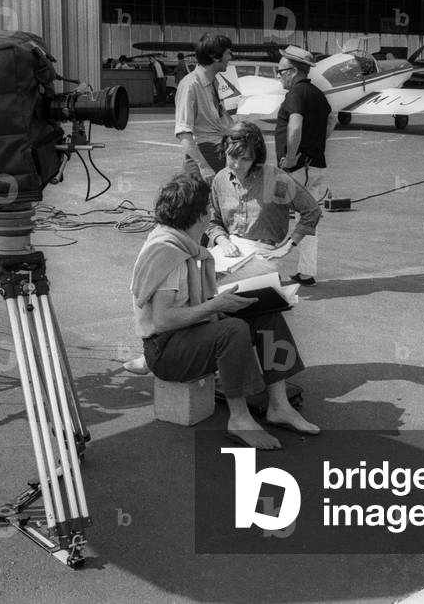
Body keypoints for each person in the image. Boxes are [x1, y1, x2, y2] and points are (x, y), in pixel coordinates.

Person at [131, 173, 320, 449]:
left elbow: (188, 304)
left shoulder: (179, 242)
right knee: (233, 330)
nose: (210, 215)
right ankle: (239, 419)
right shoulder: (167, 253)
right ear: (197, 216)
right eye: (207, 209)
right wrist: (216, 305)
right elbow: (163, 319)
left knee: (265, 311)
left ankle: (279, 405)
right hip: (165, 351)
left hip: (185, 334)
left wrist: (223, 302)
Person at [206, 121, 322, 284]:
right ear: (224, 150)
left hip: (262, 253)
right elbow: (213, 221)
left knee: (213, 285)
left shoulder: (273, 179)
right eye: (232, 156)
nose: (237, 164)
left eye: (246, 159)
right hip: (228, 250)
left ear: (257, 157)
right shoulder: (220, 179)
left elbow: (311, 210)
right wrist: (223, 242)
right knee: (194, 278)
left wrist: (287, 246)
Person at [274, 45, 336, 286]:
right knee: (309, 218)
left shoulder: (296, 94)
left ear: (292, 71)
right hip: (316, 165)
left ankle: (272, 271)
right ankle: (307, 272)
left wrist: (291, 157)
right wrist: (317, 143)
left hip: (296, 169)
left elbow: (295, 126)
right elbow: (332, 120)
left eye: (280, 71)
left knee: (275, 215)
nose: (279, 76)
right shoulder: (317, 93)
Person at [173, 33, 234, 182]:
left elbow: (221, 118)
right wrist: (204, 167)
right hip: (202, 156)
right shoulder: (190, 85)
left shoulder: (213, 82)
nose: (230, 57)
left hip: (217, 152)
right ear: (215, 57)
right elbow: (183, 133)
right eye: (228, 53)